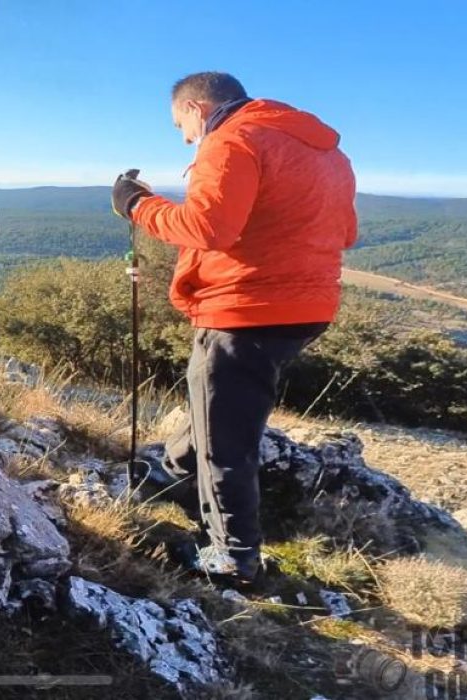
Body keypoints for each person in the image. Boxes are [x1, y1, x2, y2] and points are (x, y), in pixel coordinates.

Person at [111, 72, 357, 585]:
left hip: (246, 307)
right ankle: (173, 479)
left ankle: (234, 557)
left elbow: (208, 228)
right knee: (218, 404)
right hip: (307, 305)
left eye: (180, 124)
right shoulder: (326, 153)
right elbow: (347, 231)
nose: (183, 137)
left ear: (197, 109)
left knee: (227, 436)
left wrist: (138, 205)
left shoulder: (232, 140)